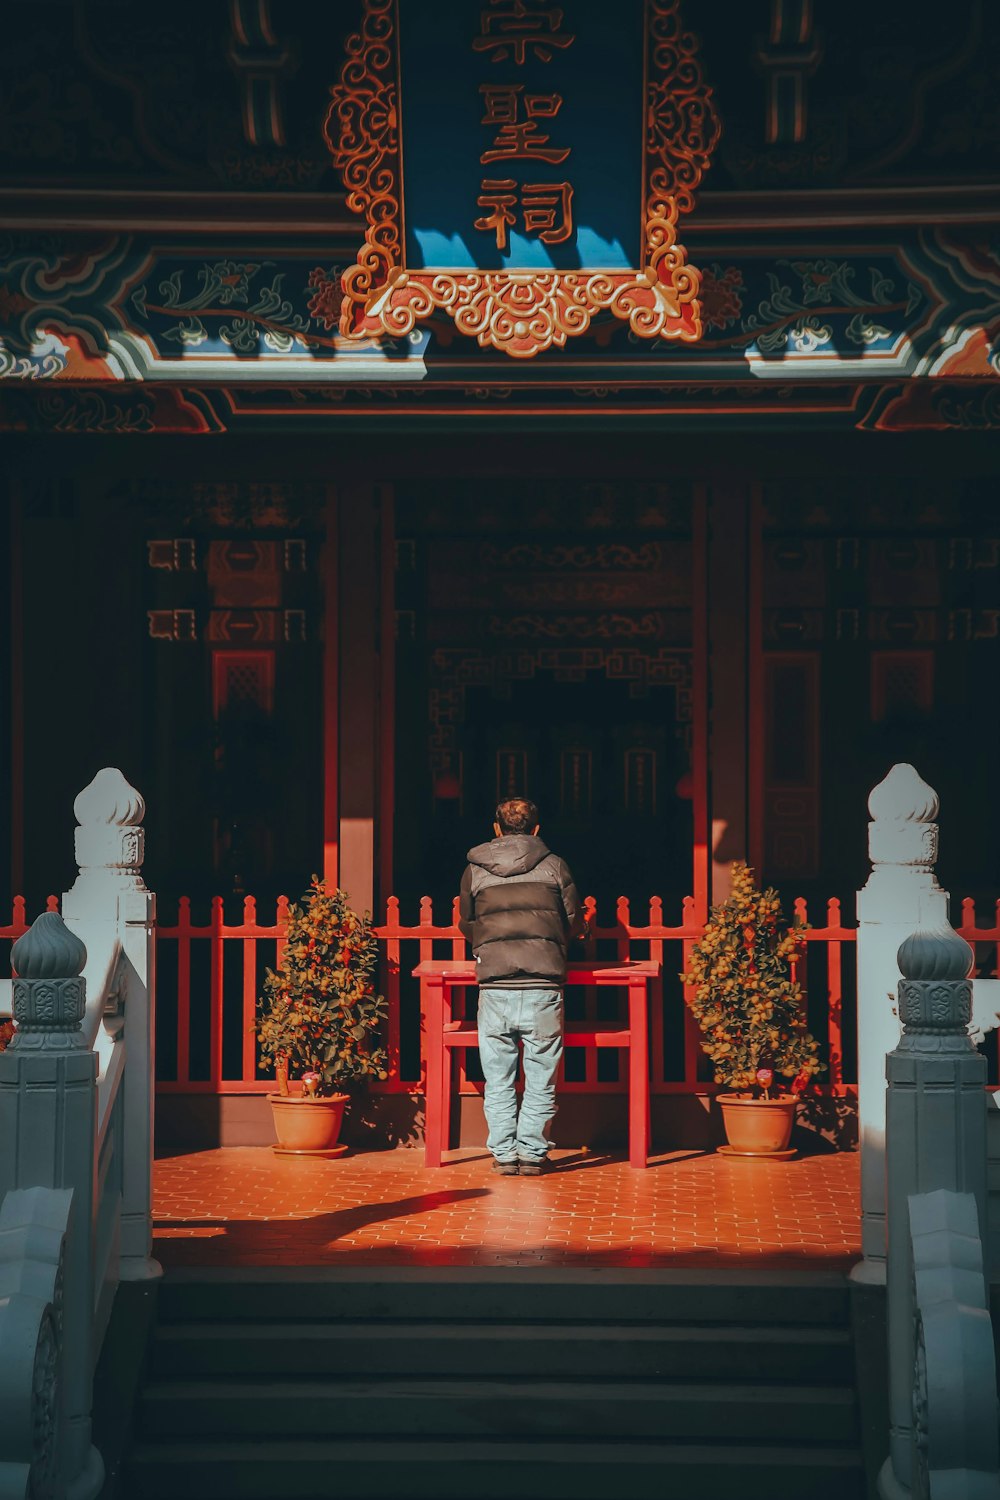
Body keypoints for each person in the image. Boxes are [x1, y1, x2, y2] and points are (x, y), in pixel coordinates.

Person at [458, 797, 585, 1176]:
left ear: (495, 828)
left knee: (498, 1078)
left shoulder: (475, 870)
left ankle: (503, 1153)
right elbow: (572, 921)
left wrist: (487, 946)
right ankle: (532, 1152)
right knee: (541, 1075)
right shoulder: (554, 866)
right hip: (543, 984)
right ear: (536, 829)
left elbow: (466, 922)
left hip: (494, 985)